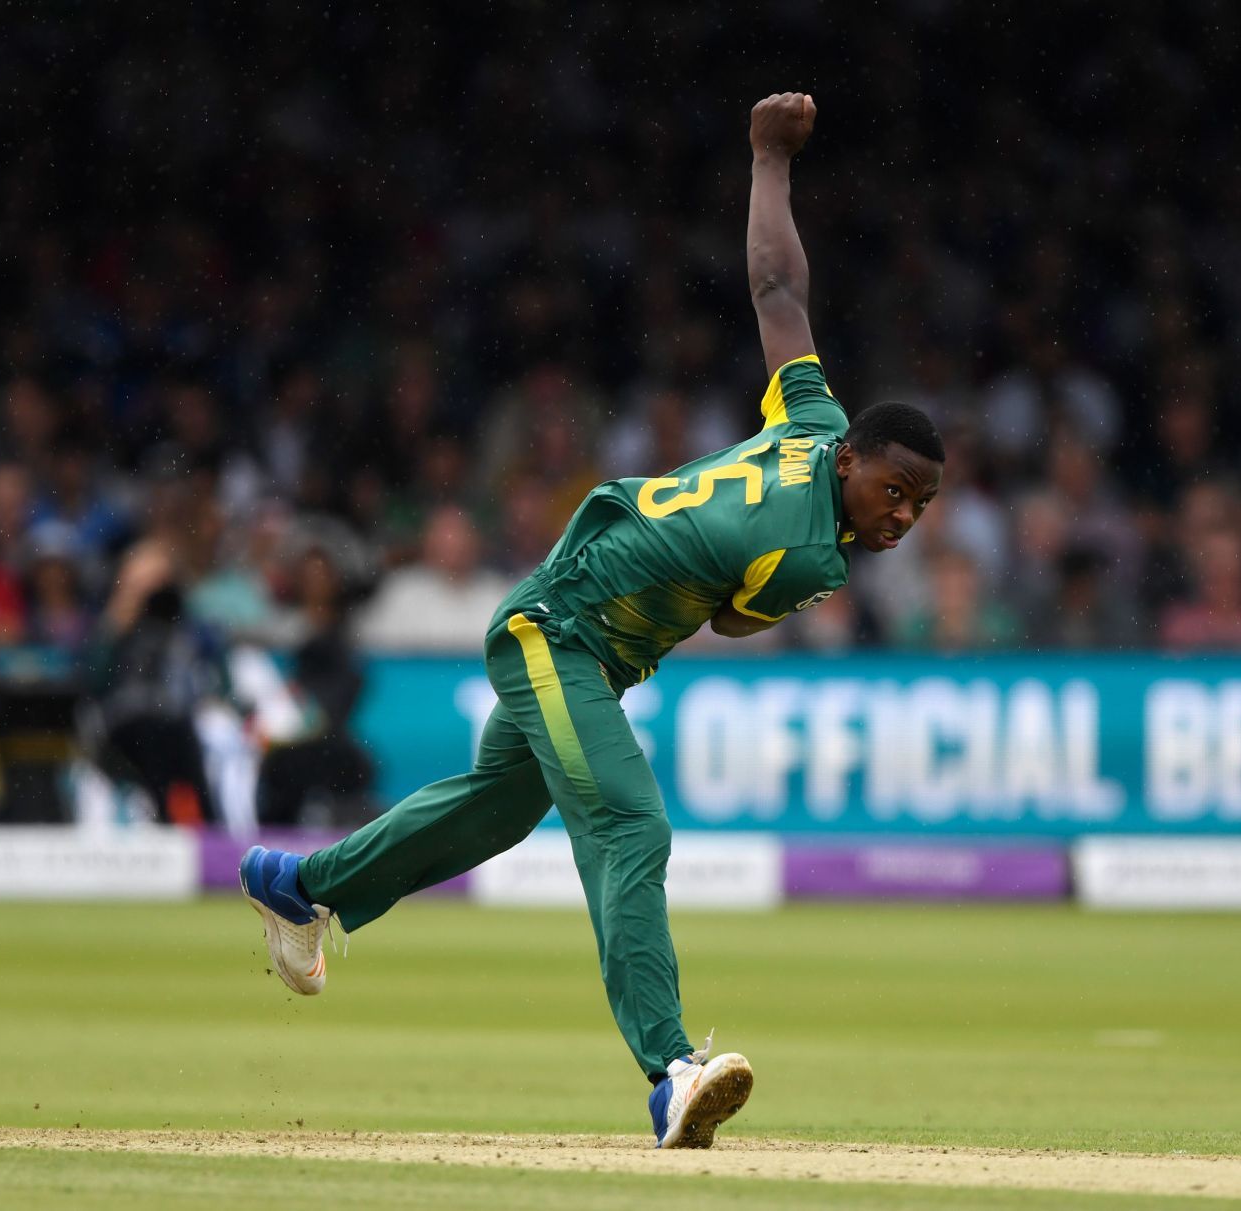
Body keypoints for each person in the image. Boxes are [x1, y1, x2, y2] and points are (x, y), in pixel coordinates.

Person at [237, 94, 944, 1150]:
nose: (901, 519)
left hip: (583, 640)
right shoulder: (807, 555)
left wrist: (763, 158)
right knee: (628, 824)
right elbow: (742, 624)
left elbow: (776, 287)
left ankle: (298, 883)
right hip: (552, 631)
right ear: (852, 461)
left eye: (920, 509)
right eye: (894, 493)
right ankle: (670, 1070)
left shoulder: (814, 419)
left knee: (495, 809)